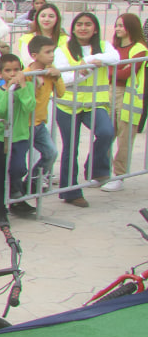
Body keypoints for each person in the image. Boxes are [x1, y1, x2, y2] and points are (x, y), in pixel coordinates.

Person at [53, 12, 119, 208]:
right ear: (73, 28)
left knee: (106, 133)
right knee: (70, 148)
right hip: (68, 105)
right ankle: (70, 192)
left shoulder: (104, 46)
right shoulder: (62, 49)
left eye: (88, 24)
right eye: (79, 24)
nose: (83, 28)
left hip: (94, 104)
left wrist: (91, 59)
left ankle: (96, 168)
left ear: (95, 28)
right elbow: (63, 79)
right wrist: (82, 70)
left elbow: (114, 57)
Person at [0, 54, 38, 227]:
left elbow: (30, 106)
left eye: (16, 70)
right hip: (1, 138)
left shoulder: (28, 86)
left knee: (18, 168)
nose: (12, 74)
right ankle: (0, 211)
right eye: (8, 70)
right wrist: (8, 91)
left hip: (20, 136)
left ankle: (15, 194)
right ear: (1, 72)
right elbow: (1, 111)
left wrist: (22, 87)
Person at [104, 13, 147, 191]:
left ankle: (119, 175)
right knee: (106, 133)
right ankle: (102, 170)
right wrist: (115, 69)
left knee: (124, 137)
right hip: (109, 93)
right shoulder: (113, 47)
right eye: (117, 25)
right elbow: (112, 71)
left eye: (122, 25)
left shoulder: (140, 49)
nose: (118, 28)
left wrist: (111, 69)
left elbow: (123, 74)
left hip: (128, 96)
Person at [25, 35, 64, 195]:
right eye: (48, 52)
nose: (52, 55)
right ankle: (15, 189)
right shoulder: (27, 73)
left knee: (51, 153)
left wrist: (58, 76)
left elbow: (61, 93)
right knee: (18, 161)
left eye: (52, 51)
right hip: (24, 124)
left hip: (39, 123)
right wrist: (35, 84)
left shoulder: (51, 71)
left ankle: (32, 182)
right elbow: (27, 101)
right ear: (35, 55)